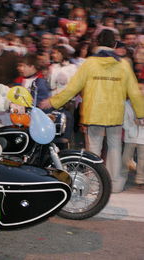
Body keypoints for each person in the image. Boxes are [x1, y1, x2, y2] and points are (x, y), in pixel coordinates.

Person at [39, 29, 144, 193]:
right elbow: (134, 92)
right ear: (114, 44)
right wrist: (141, 114)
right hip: (115, 113)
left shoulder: (89, 63)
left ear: (97, 43)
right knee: (115, 147)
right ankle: (115, 185)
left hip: (93, 112)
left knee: (93, 149)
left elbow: (72, 89)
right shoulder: (123, 65)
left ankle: (95, 184)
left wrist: (52, 102)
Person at [121, 82, 144, 190]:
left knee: (142, 159)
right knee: (125, 159)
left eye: (142, 89)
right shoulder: (127, 104)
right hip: (130, 136)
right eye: (138, 89)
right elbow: (124, 120)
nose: (140, 91)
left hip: (143, 137)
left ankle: (140, 180)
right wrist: (130, 127)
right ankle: (124, 177)